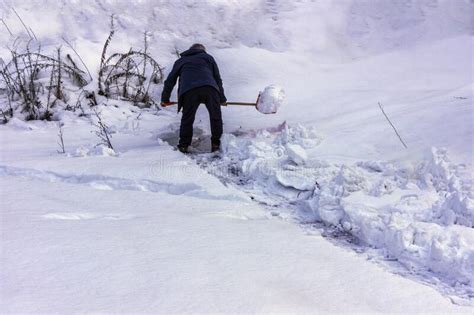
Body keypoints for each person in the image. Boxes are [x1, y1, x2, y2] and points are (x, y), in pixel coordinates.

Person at [161, 43, 227, 153]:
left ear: (190, 50)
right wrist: (222, 99)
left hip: (189, 91)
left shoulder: (181, 61)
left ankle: (183, 145)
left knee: (187, 118)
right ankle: (216, 144)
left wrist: (165, 99)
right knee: (215, 117)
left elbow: (170, 81)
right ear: (203, 50)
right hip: (210, 89)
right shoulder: (208, 57)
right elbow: (217, 78)